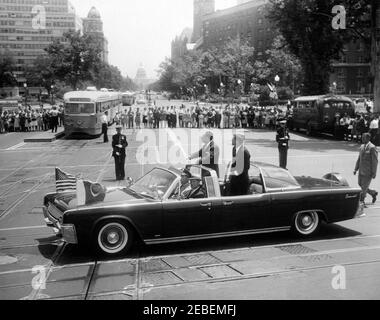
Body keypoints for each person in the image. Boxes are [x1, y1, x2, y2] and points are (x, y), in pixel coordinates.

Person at [354, 133, 378, 207]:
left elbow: (375, 161)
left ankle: (362, 202)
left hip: (368, 172)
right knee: (360, 184)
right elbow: (359, 158)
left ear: (368, 138)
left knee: (364, 188)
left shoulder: (372, 147)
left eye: (363, 138)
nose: (362, 139)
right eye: (362, 137)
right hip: (361, 170)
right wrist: (356, 169)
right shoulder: (361, 146)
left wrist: (374, 173)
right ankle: (373, 193)